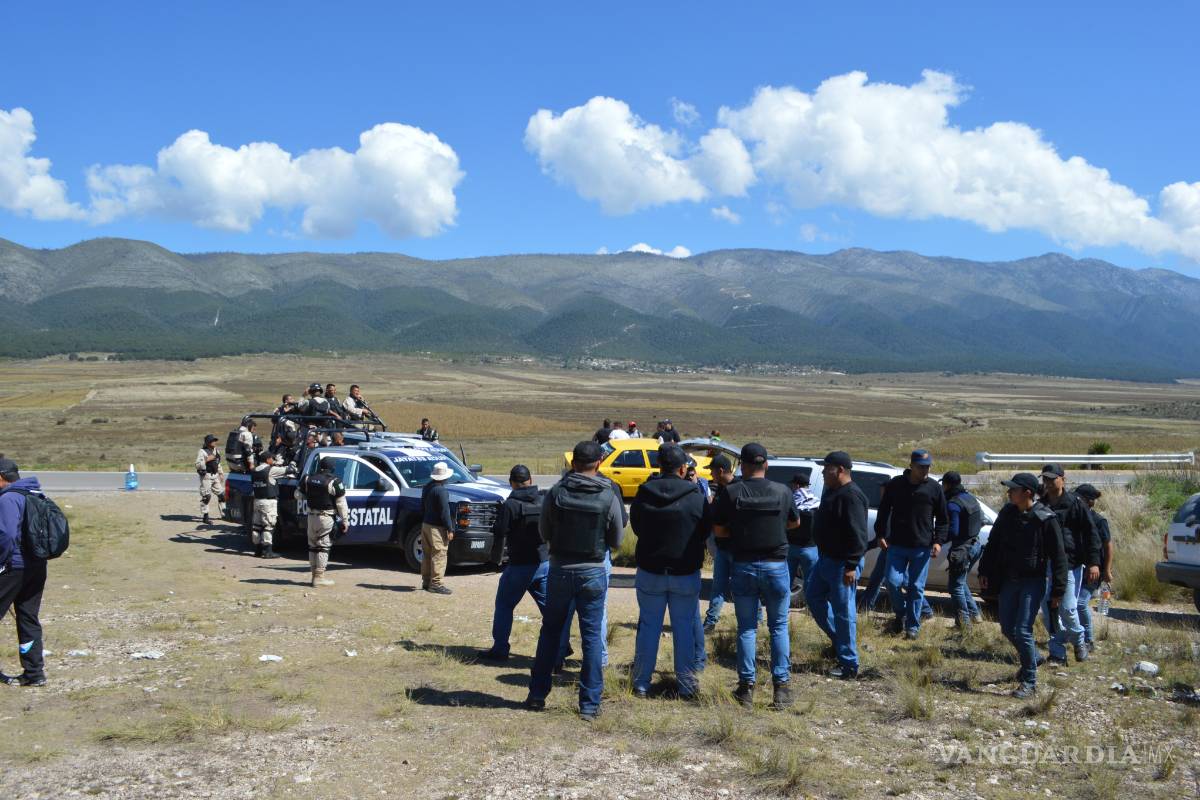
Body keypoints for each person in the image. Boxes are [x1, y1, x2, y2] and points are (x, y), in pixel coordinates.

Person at [525, 442, 624, 721]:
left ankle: (536, 695)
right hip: (593, 571)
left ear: (573, 463)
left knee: (551, 633)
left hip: (558, 570)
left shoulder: (556, 492)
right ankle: (589, 705)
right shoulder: (608, 494)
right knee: (592, 637)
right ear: (600, 462)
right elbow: (617, 540)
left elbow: (544, 531)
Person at [713, 442, 800, 709]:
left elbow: (719, 530)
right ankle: (781, 689)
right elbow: (795, 522)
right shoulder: (783, 491)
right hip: (776, 565)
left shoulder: (731, 492)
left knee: (747, 628)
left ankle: (746, 688)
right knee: (778, 627)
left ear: (743, 465)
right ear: (766, 465)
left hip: (744, 565)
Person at [630, 445, 711, 699]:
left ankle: (641, 682)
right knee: (685, 628)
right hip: (684, 572)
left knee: (648, 626)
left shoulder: (644, 494)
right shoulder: (696, 497)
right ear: (683, 468)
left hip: (651, 570)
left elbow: (637, 527)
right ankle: (686, 685)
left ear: (659, 467)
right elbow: (704, 532)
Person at [980, 473, 1068, 699]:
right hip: (1009, 580)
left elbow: (1059, 557)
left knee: (1022, 630)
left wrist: (1058, 590)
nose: (1009, 492)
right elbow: (993, 544)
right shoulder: (1008, 513)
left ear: (1027, 492)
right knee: (1008, 628)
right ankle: (1034, 658)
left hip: (1033, 581)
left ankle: (1029, 681)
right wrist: (985, 571)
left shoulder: (1045, 518)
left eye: (1013, 489)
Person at [480, 465, 556, 661]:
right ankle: (561, 648)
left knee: (504, 605)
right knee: (550, 610)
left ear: (511, 483)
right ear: (530, 480)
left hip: (520, 565)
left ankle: (500, 649)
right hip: (544, 562)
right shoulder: (543, 499)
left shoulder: (510, 505)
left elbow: (500, 531)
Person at [806, 451, 870, 679]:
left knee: (844, 613)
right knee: (813, 597)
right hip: (826, 559)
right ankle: (840, 641)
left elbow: (858, 535)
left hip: (843, 563)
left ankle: (849, 665)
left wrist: (852, 565)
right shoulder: (833, 491)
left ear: (840, 470)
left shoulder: (851, 495)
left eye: (827, 468)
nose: (823, 472)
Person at [876, 450, 948, 640]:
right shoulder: (895, 485)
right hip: (897, 545)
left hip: (922, 547)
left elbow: (942, 518)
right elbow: (883, 511)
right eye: (921, 466)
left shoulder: (934, 488)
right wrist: (880, 534)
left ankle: (912, 626)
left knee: (916, 587)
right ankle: (902, 614)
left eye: (928, 466)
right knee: (891, 582)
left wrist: (938, 541)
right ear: (911, 466)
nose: (925, 470)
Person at [1038, 463, 1099, 665]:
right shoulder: (1041, 505)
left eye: (1052, 478)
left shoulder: (1075, 504)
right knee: (1048, 610)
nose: (1048, 482)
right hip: (1046, 563)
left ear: (1063, 478)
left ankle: (1079, 640)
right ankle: (1057, 652)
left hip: (1070, 563)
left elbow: (1091, 534)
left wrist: (1093, 563)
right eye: (1045, 478)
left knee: (1068, 609)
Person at [0, 457, 49, 687]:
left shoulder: (8, 498)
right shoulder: (35, 494)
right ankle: (34, 673)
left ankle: (33, 672)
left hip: (13, 567)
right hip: (37, 566)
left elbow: (7, 535)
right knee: (28, 617)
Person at [941, 471, 984, 627]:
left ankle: (963, 623)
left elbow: (953, 531)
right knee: (961, 582)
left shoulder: (953, 504)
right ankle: (975, 615)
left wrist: (937, 540)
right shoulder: (970, 498)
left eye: (943, 484)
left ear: (947, 485)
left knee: (955, 587)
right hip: (976, 544)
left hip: (962, 549)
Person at [1073, 483, 1113, 652]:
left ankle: (1089, 640)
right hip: (1076, 568)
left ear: (1089, 502)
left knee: (1081, 603)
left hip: (1094, 570)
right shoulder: (1074, 518)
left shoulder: (1099, 521)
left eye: (1079, 498)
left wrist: (1107, 570)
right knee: (1072, 604)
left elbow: (1108, 546)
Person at [297, 458, 348, 587]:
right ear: (332, 468)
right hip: (326, 518)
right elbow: (341, 504)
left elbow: (297, 495)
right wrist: (345, 520)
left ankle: (314, 575)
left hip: (311, 516)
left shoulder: (308, 479)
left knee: (313, 546)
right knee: (323, 547)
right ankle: (319, 577)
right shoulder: (334, 482)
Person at [702, 454, 737, 631]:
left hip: (738, 549)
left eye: (712, 471)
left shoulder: (739, 488)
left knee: (742, 589)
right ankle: (710, 622)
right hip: (722, 547)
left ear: (721, 470)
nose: (711, 475)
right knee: (718, 586)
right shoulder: (721, 490)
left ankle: (757, 620)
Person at [420, 462, 456, 595]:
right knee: (439, 555)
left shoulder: (427, 487)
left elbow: (422, 506)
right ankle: (436, 584)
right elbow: (444, 512)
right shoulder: (441, 491)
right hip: (437, 528)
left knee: (427, 554)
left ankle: (426, 581)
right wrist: (450, 529)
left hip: (426, 525)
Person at [250, 452, 291, 559]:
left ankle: (257, 550)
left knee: (257, 527)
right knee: (268, 526)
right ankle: (268, 552)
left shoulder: (254, 470)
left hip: (257, 501)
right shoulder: (270, 470)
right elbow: (289, 470)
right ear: (268, 459)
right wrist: (292, 464)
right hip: (268, 502)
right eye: (272, 459)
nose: (273, 461)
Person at [787, 473, 820, 603]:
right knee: (811, 582)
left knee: (786, 581)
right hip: (810, 548)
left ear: (797, 485)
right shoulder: (817, 502)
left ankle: (783, 606)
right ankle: (811, 608)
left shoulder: (791, 501)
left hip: (792, 546)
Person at [195, 434, 224, 525]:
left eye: (215, 440)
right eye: (212, 441)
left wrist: (221, 473)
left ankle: (224, 514)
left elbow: (217, 463)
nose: (214, 442)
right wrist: (206, 459)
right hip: (206, 476)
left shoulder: (216, 450)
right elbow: (197, 465)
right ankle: (205, 517)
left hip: (215, 475)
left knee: (222, 495)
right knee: (206, 497)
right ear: (208, 443)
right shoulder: (202, 451)